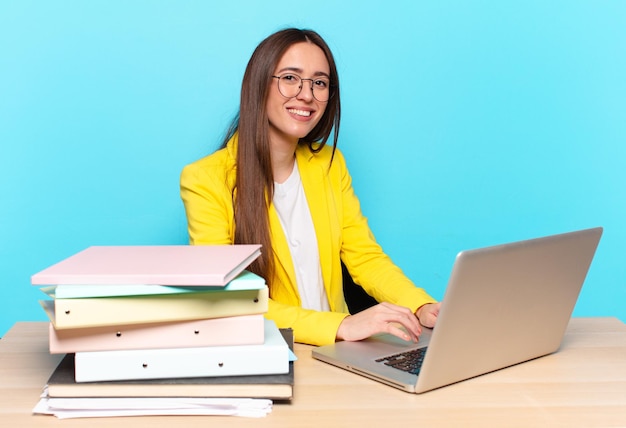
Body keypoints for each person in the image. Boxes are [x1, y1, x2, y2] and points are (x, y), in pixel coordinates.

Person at [180, 28, 440, 346]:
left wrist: (421, 305)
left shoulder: (331, 165)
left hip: (341, 355)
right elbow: (226, 301)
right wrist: (340, 325)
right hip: (273, 351)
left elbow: (365, 258)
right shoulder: (205, 179)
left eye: (319, 82)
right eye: (290, 78)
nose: (307, 94)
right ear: (258, 85)